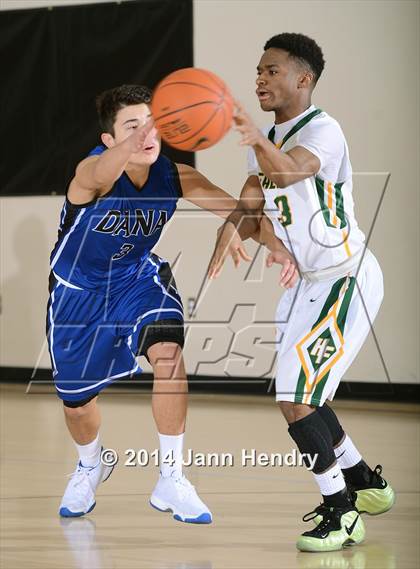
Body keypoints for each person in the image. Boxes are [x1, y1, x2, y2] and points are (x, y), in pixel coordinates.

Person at [208, 33, 395, 552]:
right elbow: (251, 208)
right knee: (303, 395)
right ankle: (365, 483)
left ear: (303, 79)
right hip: (310, 282)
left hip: (347, 277)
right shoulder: (266, 142)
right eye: (258, 71)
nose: (260, 79)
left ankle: (342, 513)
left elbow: (291, 170)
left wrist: (255, 137)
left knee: (295, 395)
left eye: (271, 70)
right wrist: (236, 234)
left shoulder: (323, 131)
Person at [47, 84, 249, 524]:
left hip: (137, 280)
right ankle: (90, 464)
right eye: (132, 126)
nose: (146, 133)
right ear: (108, 140)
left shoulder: (174, 175)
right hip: (78, 294)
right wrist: (132, 144)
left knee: (168, 353)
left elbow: (241, 210)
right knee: (76, 404)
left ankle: (171, 478)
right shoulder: (90, 172)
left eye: (152, 122)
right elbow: (99, 176)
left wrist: (251, 233)